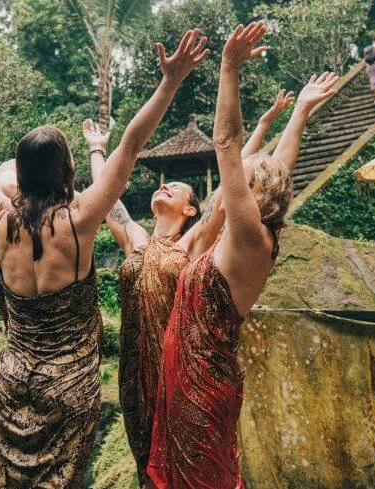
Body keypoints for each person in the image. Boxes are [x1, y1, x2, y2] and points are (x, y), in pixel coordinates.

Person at [0, 27, 210, 488]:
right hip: (68, 388)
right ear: (67, 168)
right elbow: (130, 145)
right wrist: (170, 81)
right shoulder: (80, 219)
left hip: (10, 383)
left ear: (22, 173)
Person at [147, 22, 339, 489]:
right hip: (186, 377)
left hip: (201, 386)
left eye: (243, 174)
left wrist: (229, 67)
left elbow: (228, 142)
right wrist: (300, 112)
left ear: (253, 191)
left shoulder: (251, 237)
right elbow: (281, 169)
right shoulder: (247, 233)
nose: (233, 176)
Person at [83, 88, 294, 485]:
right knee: (147, 465)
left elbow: (233, 180)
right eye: (164, 185)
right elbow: (107, 199)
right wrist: (97, 149)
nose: (164, 188)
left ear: (191, 208)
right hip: (133, 373)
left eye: (176, 188)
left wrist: (264, 127)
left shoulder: (195, 241)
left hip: (178, 369)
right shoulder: (135, 240)